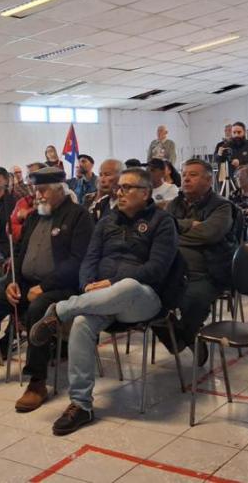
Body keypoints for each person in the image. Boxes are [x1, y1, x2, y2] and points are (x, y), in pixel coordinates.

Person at [28, 167, 178, 435]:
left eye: (127, 187)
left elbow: (156, 269)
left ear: (145, 193)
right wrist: (87, 285)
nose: (119, 192)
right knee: (81, 323)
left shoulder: (162, 222)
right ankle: (81, 405)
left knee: (128, 285)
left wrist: (111, 283)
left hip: (142, 299)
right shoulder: (107, 221)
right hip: (101, 299)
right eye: (119, 187)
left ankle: (59, 311)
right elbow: (89, 259)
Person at [0, 168, 94, 410]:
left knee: (38, 308)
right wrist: (11, 282)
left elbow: (77, 262)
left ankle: (37, 382)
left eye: (43, 190)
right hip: (25, 285)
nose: (38, 195)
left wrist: (44, 286)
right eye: (36, 190)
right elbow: (18, 254)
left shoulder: (79, 216)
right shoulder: (35, 217)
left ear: (60, 190)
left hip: (62, 289)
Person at [163, 159, 238, 359]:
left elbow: (209, 234)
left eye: (193, 175)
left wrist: (176, 232)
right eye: (184, 174)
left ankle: (183, 336)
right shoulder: (174, 204)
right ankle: (185, 336)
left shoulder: (222, 206)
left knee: (193, 298)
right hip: (173, 270)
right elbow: (161, 231)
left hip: (209, 271)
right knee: (148, 296)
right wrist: (189, 224)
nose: (186, 179)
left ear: (208, 180)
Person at [11, 163, 45, 242]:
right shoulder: (23, 202)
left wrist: (28, 214)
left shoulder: (54, 200)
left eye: (32, 177)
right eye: (27, 177)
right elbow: (10, 227)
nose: (28, 182)